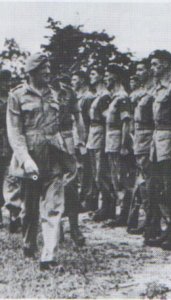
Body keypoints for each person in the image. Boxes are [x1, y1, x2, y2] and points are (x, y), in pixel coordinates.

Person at [7, 53, 70, 270]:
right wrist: (25, 159)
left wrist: (67, 154)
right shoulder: (17, 95)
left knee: (53, 207)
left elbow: (59, 127)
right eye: (44, 70)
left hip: (53, 157)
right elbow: (15, 132)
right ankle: (28, 243)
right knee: (30, 208)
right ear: (32, 72)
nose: (48, 73)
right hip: (31, 160)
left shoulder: (54, 94)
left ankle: (48, 257)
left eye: (49, 69)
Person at [145, 50, 171, 250]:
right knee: (158, 189)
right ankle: (167, 229)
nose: (152, 68)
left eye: (155, 64)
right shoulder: (158, 89)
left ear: (166, 65)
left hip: (169, 141)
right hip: (157, 142)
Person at [127, 59, 161, 241]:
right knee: (144, 183)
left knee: (150, 184)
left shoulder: (155, 91)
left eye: (141, 69)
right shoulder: (142, 92)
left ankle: (152, 225)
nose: (138, 72)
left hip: (148, 139)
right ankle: (147, 222)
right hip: (140, 139)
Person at [54, 74, 86, 246]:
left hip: (67, 137)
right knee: (51, 185)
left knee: (72, 185)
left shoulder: (69, 93)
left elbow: (78, 117)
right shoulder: (39, 91)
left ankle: (74, 228)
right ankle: (56, 230)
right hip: (48, 139)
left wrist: (81, 141)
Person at [104, 64, 135, 227]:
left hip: (117, 141)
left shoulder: (122, 97)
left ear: (115, 77)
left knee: (121, 179)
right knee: (115, 178)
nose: (105, 79)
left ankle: (125, 214)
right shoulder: (115, 97)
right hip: (111, 141)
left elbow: (126, 123)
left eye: (107, 76)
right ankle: (121, 213)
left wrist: (124, 145)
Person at [87, 66, 115, 223]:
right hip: (93, 132)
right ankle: (103, 205)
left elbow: (107, 119)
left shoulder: (105, 96)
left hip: (100, 133)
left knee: (101, 172)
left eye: (93, 74)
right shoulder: (98, 95)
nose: (91, 77)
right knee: (95, 172)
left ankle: (107, 205)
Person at [71, 71, 98, 211]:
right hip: (76, 135)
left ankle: (89, 200)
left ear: (82, 80)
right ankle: (80, 199)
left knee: (87, 169)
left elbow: (87, 121)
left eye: (75, 79)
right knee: (79, 168)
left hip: (85, 136)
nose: (72, 82)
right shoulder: (77, 97)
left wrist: (84, 140)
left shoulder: (88, 97)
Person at [0, 70, 12, 227]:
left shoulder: (11, 99)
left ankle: (14, 214)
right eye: (3, 82)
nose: (7, 85)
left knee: (13, 178)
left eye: (8, 82)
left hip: (10, 143)